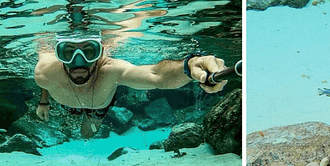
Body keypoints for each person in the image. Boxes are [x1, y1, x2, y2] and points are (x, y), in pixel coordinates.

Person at [34, 33, 228, 138]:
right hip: (67, 103)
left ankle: (93, 117)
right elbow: (45, 83)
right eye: (68, 53)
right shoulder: (45, 72)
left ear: (100, 53)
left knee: (87, 135)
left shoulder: (111, 70)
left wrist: (189, 66)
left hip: (98, 108)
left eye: (89, 51)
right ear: (58, 54)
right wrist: (44, 102)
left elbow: (155, 75)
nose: (79, 62)